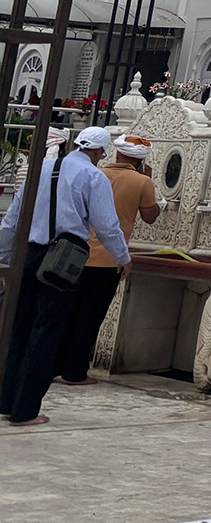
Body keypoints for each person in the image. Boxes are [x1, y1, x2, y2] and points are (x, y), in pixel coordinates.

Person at [0, 125, 131, 426]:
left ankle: (6, 400)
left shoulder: (41, 169)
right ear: (99, 152)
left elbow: (12, 220)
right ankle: (26, 410)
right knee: (47, 332)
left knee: (19, 327)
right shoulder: (93, 177)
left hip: (29, 253)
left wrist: (5, 259)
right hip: (62, 259)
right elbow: (107, 226)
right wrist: (123, 258)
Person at [59, 134, 160, 385]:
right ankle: (75, 372)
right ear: (140, 161)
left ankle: (54, 366)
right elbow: (150, 217)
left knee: (67, 312)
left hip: (77, 254)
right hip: (109, 259)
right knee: (90, 317)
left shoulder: (95, 173)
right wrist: (149, 182)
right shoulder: (142, 181)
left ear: (116, 154)